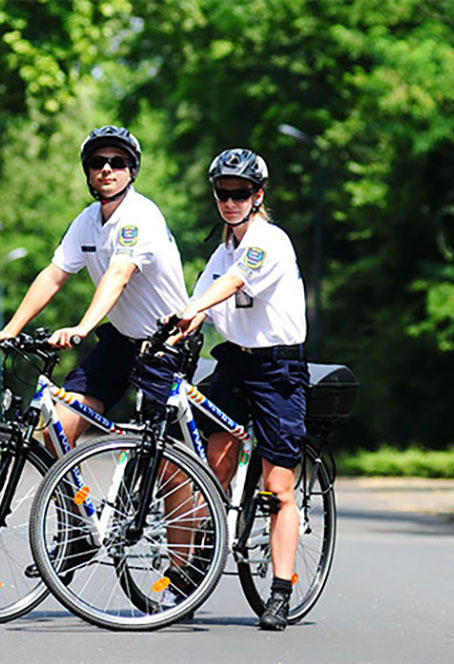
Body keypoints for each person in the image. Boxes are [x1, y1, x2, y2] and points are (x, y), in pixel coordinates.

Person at [0, 125, 190, 577]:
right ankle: (78, 533)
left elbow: (118, 274)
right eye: (98, 163)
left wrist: (81, 326)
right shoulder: (86, 221)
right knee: (56, 425)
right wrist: (10, 328)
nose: (107, 170)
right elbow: (54, 274)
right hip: (119, 340)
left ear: (132, 170)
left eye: (117, 162)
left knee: (166, 464)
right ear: (88, 173)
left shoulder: (140, 216)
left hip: (165, 343)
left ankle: (184, 568)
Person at [176, 148, 309, 631]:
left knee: (278, 487)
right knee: (209, 462)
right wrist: (170, 331)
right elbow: (199, 301)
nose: (229, 201)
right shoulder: (222, 248)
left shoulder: (268, 242)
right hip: (234, 364)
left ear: (257, 196)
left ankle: (280, 590)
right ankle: (194, 565)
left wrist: (195, 310)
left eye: (239, 193)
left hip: (277, 369)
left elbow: (232, 284)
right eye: (222, 193)